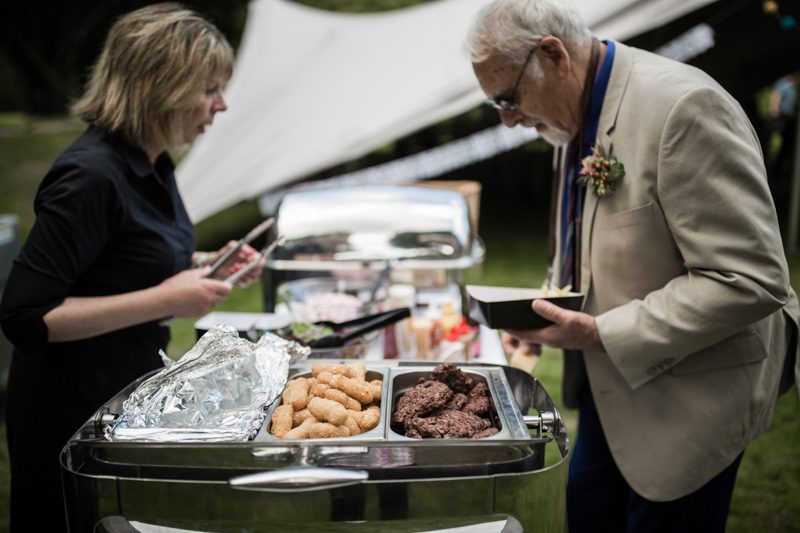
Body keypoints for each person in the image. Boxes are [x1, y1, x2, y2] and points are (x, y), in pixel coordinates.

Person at [465, 1, 799, 531]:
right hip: (611, 379)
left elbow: (752, 279)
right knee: (587, 512)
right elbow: (594, 236)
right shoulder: (571, 110)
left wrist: (600, 332)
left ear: (553, 56)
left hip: (692, 396)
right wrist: (547, 312)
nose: (508, 121)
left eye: (508, 99)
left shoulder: (684, 107)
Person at [0, 4, 263, 532]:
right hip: (68, 415)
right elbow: (25, 315)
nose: (222, 104)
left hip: (123, 392)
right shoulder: (89, 177)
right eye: (209, 87)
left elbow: (121, 258)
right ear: (163, 85)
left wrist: (201, 265)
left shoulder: (152, 160)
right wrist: (171, 298)